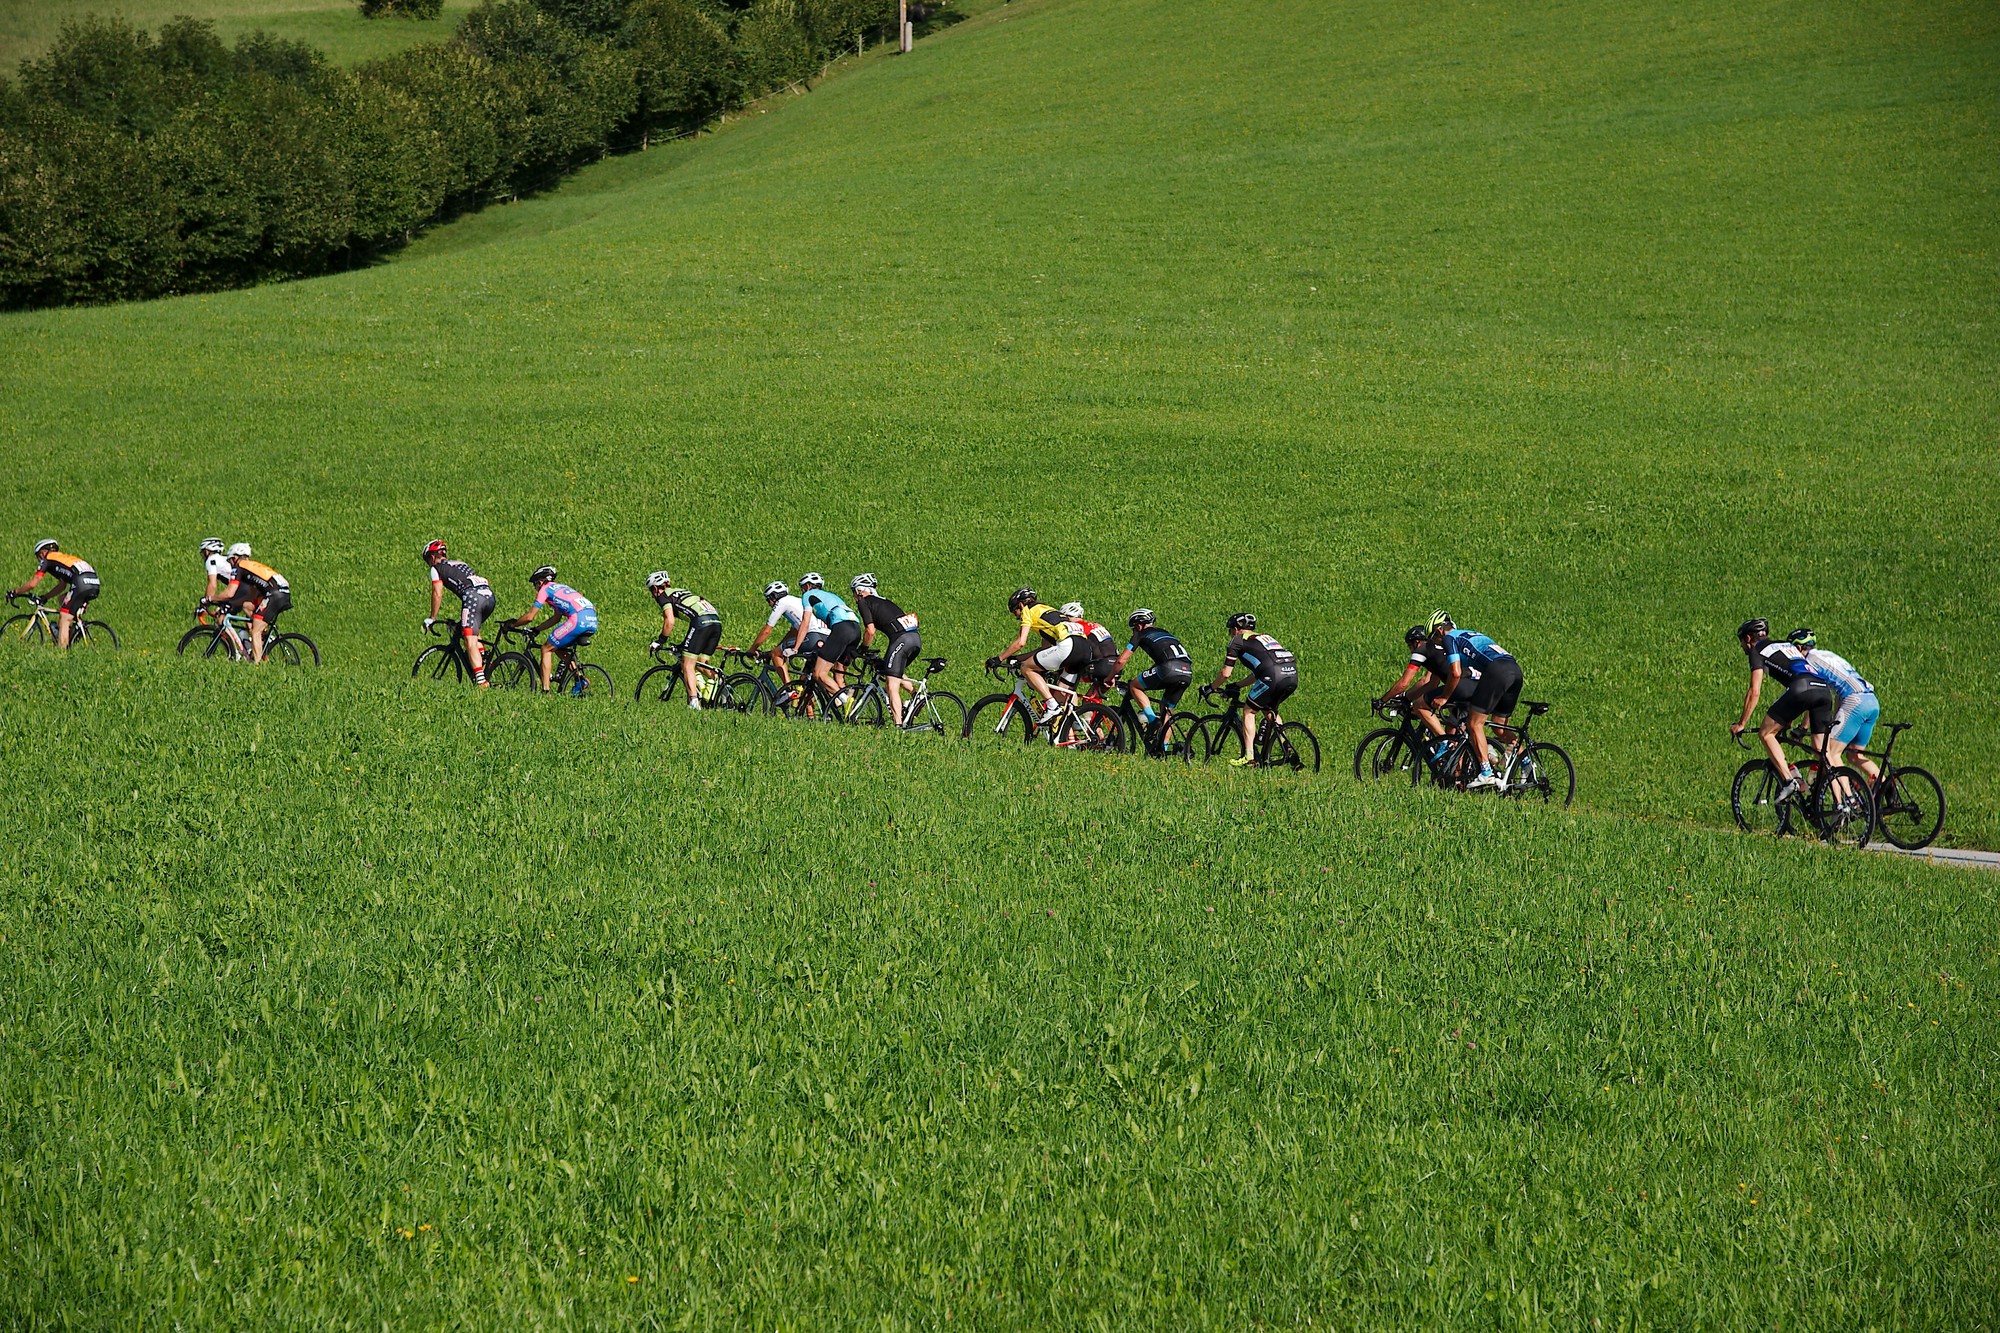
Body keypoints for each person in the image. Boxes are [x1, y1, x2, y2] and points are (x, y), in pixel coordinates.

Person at [1731, 617, 1832, 806]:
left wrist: (1741, 723)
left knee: (1766, 733)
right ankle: (1844, 801)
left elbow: (1754, 691)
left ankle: (1788, 781)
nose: (1742, 646)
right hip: (1823, 689)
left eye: (1741, 642)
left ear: (1748, 638)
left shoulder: (1756, 651)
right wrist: (1789, 719)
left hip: (1802, 687)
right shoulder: (1785, 645)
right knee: (1822, 753)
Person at [1425, 611, 1521, 790]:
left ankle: (1486, 772)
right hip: (1515, 670)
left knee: (1474, 723)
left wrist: (1444, 697)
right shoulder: (1469, 634)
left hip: (1497, 671)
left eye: (1434, 638)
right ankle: (1528, 765)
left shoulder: (1450, 639)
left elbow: (1455, 673)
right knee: (1500, 729)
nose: (1436, 643)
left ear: (1439, 631)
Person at [1789, 627, 1881, 783]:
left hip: (1855, 701)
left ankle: (1847, 796)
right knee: (1855, 755)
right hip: (1871, 700)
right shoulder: (1827, 655)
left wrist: (1803, 728)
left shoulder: (1809, 661)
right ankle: (1886, 788)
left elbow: (1815, 696)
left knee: (1830, 753)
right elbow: (1838, 693)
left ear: (1798, 647)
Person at [1206, 613, 1298, 766]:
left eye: (1230, 630)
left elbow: (1225, 674)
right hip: (1291, 675)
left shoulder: (1237, 641)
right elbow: (1259, 672)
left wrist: (1211, 687)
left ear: (1236, 629)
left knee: (1249, 711)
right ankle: (1286, 745)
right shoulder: (1264, 637)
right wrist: (1238, 685)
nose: (1230, 634)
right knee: (1269, 710)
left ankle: (1249, 757)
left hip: (1272, 675)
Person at [1376, 623, 1480, 747]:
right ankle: (1462, 753)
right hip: (1477, 684)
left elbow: (1404, 683)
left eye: (1409, 646)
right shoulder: (1439, 651)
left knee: (1419, 706)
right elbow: (1432, 684)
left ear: (1417, 642)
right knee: (1454, 736)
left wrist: (1382, 701)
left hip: (1462, 685)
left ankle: (1444, 742)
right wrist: (1406, 698)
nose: (1410, 650)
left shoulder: (1421, 650)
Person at [989, 587, 1081, 724]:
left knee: (1026, 668)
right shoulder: (1047, 610)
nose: (1016, 616)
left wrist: (998, 659)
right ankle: (1076, 726)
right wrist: (1017, 658)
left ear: (1021, 604)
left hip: (1067, 646)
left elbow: (1021, 642)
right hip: (1082, 646)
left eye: (1014, 611)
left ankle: (1051, 705)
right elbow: (1045, 649)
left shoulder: (1028, 610)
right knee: (1063, 694)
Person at [511, 566, 598, 693]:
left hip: (578, 619)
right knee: (557, 646)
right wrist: (537, 629)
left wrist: (513, 625)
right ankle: (579, 680)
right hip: (592, 620)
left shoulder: (545, 589)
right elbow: (556, 618)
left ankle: (545, 691)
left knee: (546, 649)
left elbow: (530, 616)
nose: (535, 588)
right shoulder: (561, 588)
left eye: (535, 585)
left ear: (540, 582)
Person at [422, 540, 495, 688]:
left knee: (469, 639)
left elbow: (437, 593)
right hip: (489, 596)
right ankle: (485, 663)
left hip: (473, 598)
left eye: (427, 561)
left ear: (432, 557)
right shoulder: (460, 563)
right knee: (473, 632)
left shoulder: (436, 568)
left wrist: (432, 618)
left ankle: (481, 682)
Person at [852, 573, 922, 723]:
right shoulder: (884, 601)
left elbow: (870, 631)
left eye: (853, 592)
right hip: (915, 639)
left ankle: (898, 727)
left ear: (859, 591)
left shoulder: (863, 602)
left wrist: (863, 648)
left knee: (891, 685)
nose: (854, 597)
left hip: (901, 640)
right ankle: (917, 695)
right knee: (892, 671)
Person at [649, 571, 723, 709]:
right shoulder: (681, 592)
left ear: (655, 588)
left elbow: (669, 621)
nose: (652, 596)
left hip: (701, 623)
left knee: (687, 664)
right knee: (701, 663)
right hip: (716, 622)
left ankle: (693, 703)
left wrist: (660, 641)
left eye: (651, 591)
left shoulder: (663, 596)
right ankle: (724, 691)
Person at [210, 542, 291, 663]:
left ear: (235, 558)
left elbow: (229, 593)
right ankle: (262, 642)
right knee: (247, 606)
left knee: (255, 631)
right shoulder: (250, 567)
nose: (230, 564)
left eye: (230, 560)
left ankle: (258, 667)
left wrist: (210, 599)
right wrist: (231, 604)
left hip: (274, 594)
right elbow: (251, 596)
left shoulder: (239, 567)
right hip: (280, 592)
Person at [10, 539, 99, 648]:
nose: (39, 560)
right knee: (62, 600)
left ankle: (61, 654)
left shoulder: (48, 559)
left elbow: (33, 583)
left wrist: (15, 592)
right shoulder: (61, 559)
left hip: (81, 582)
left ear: (43, 552)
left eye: (38, 556)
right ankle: (73, 631)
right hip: (94, 581)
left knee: (64, 617)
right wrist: (46, 597)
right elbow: (62, 586)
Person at [792, 572, 862, 706]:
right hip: (856, 629)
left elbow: (805, 623)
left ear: (808, 586)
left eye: (802, 588)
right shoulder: (831, 595)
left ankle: (845, 700)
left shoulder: (808, 595)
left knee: (819, 673)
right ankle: (848, 713)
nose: (802, 591)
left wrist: (795, 648)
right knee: (838, 673)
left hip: (842, 629)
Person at [1116, 608, 1192, 727]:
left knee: (1134, 685)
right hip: (1187, 671)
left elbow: (1121, 660)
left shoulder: (1140, 634)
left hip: (1169, 668)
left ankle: (1152, 721)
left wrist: (1109, 677)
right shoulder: (1165, 632)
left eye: (1133, 629)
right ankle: (1163, 739)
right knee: (1166, 713)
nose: (1133, 632)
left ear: (1139, 626)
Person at [750, 579, 825, 686]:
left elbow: (766, 630)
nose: (769, 604)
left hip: (812, 636)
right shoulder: (796, 601)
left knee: (776, 654)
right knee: (804, 683)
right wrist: (779, 648)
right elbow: (794, 632)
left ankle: (788, 690)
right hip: (825, 636)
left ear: (773, 597)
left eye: (768, 600)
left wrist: (752, 649)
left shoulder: (781, 602)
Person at [1059, 601, 1120, 692]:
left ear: (1067, 617)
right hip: (1115, 666)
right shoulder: (1095, 625)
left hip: (1099, 666)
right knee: (1091, 699)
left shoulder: (1075, 627)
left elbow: (1072, 651)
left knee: (1064, 683)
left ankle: (1064, 699)